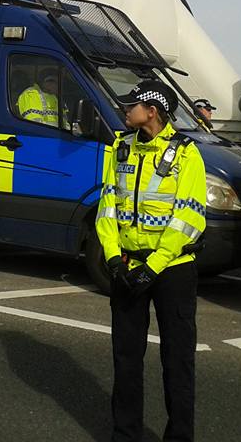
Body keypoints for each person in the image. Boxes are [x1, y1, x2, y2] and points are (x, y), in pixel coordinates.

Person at [96, 79, 207, 442]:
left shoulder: (187, 154)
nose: (125, 110)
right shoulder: (120, 148)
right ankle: (125, 434)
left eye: (132, 105)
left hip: (172, 270)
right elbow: (107, 206)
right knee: (125, 358)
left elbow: (189, 218)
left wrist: (154, 266)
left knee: (177, 360)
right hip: (127, 266)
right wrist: (113, 257)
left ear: (152, 111)